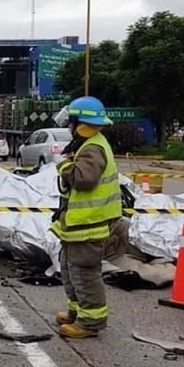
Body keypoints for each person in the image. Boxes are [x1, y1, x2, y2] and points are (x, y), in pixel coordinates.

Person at [51, 96, 122, 339]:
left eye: (71, 122)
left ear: (80, 124)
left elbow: (84, 179)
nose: (68, 127)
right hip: (79, 225)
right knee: (70, 270)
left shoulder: (93, 147)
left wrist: (63, 166)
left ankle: (90, 323)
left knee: (84, 273)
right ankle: (76, 313)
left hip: (89, 225)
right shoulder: (87, 144)